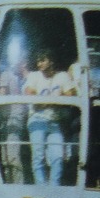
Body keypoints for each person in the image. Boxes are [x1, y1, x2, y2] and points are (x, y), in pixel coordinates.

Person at [22, 53, 78, 184]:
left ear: (51, 61)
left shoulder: (62, 76)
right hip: (37, 120)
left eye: (42, 60)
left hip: (54, 121)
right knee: (38, 155)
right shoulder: (34, 76)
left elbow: (71, 95)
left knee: (58, 156)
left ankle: (54, 187)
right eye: (38, 61)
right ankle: (41, 187)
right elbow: (30, 94)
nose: (39, 64)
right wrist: (57, 100)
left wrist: (45, 102)